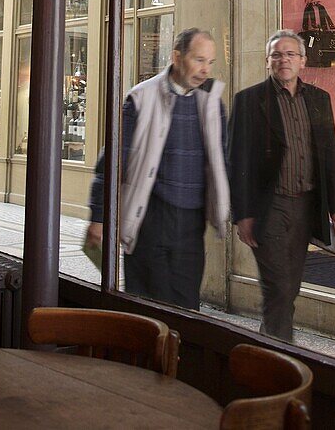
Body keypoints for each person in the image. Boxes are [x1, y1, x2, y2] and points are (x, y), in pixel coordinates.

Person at [86, 27, 230, 310]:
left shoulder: (213, 104)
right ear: (177, 57)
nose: (205, 70)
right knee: (149, 308)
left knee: (187, 309)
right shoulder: (140, 99)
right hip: (151, 217)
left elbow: (222, 162)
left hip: (192, 225)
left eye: (210, 62)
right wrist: (99, 217)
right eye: (199, 60)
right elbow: (112, 163)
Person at [228, 29, 335, 341]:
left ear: (303, 61)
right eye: (277, 55)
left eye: (290, 54)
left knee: (289, 286)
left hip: (306, 207)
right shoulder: (248, 101)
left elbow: (329, 158)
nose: (284, 60)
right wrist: (241, 215)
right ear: (267, 61)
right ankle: (282, 356)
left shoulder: (319, 101)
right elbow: (236, 163)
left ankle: (267, 343)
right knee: (279, 285)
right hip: (268, 208)